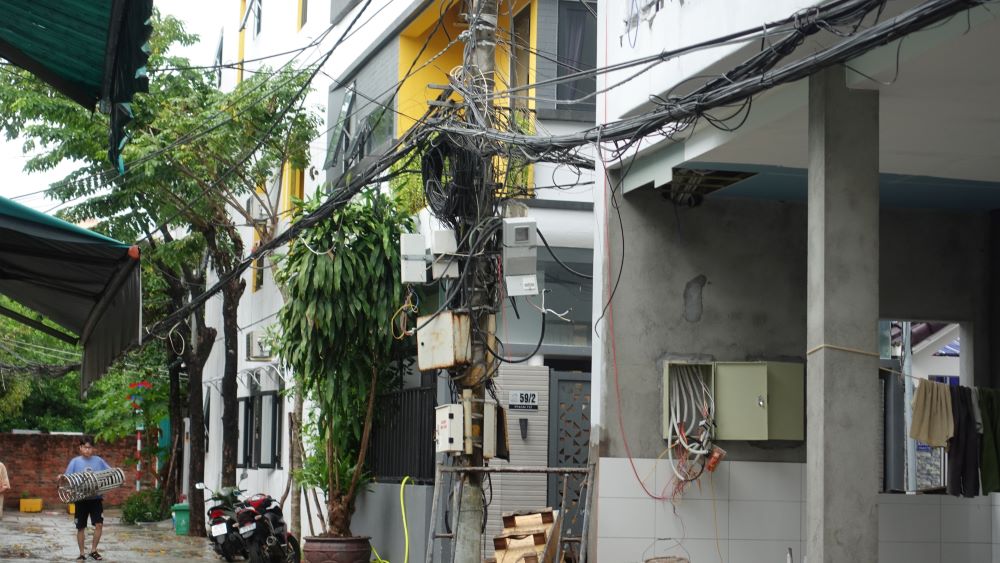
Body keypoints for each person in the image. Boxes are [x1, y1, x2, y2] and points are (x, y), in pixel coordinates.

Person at [65, 438, 111, 561]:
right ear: (80, 448)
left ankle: (94, 551)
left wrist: (119, 479)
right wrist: (61, 477)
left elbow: (110, 473)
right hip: (81, 499)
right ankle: (81, 553)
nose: (87, 450)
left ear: (93, 449)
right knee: (80, 527)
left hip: (96, 499)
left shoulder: (99, 461)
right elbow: (67, 479)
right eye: (85, 447)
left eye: (90, 447)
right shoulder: (74, 462)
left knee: (99, 524)